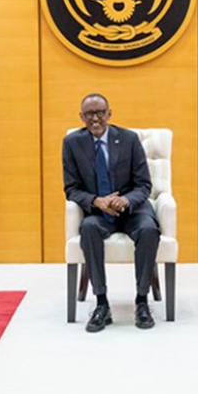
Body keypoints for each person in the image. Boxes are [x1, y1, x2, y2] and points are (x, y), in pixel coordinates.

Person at [63, 94, 161, 332]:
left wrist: (125, 200)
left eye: (100, 113)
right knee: (88, 228)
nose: (95, 119)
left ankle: (141, 301)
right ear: (81, 117)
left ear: (109, 113)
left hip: (131, 210)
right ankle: (101, 303)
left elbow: (144, 185)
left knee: (149, 230)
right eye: (89, 114)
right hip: (99, 211)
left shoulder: (128, 139)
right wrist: (96, 201)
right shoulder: (72, 143)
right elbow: (72, 188)